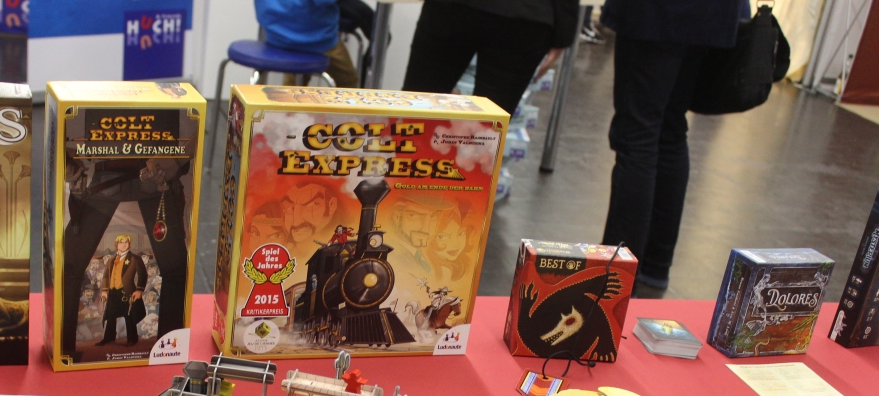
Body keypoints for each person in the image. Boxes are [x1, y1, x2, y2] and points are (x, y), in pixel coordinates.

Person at [599, 0, 747, 290]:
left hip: (656, 13)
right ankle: (655, 266)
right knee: (671, 129)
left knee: (637, 135)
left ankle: (618, 275)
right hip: (712, 12)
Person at [401, 0, 580, 115]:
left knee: (417, 112)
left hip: (453, 10)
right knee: (486, 133)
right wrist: (564, 31)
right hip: (524, 17)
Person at [254, 0, 359, 88]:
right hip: (315, 39)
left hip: (277, 38)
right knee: (349, 82)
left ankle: (289, 97)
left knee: (295, 77)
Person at [97, 234, 147, 347]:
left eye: (126, 242)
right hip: (112, 292)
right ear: (116, 245)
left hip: (127, 292)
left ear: (129, 244)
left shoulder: (135, 259)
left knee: (129, 316)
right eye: (121, 242)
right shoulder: (111, 259)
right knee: (110, 315)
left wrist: (139, 290)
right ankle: (109, 338)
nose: (124, 245)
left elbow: (143, 275)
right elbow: (106, 276)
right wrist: (104, 291)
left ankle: (132, 339)